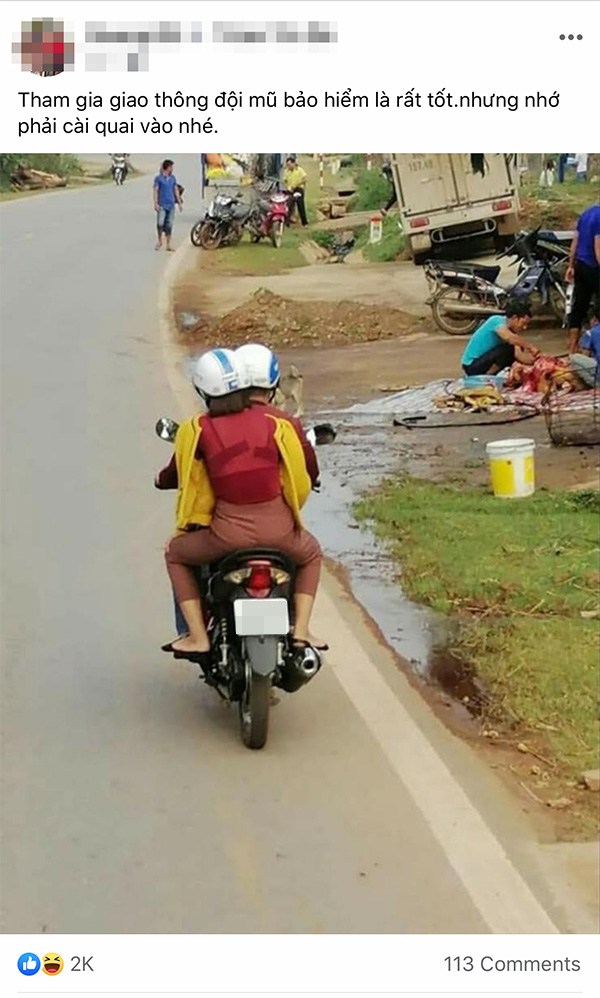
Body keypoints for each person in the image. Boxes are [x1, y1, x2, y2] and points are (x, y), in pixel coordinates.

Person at [156, 349, 324, 665]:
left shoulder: (197, 428)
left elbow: (178, 471)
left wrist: (160, 480)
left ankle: (197, 636)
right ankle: (302, 631)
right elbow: (301, 468)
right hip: (281, 533)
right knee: (312, 553)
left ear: (203, 390)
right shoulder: (280, 423)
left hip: (224, 536)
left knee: (175, 554)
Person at [235, 343, 320, 489]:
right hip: (276, 505)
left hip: (224, 508)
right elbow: (309, 469)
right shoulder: (288, 424)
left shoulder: (205, 424)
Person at [461, 301, 539, 376]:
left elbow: (519, 355)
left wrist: (538, 361)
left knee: (517, 347)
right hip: (471, 365)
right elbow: (509, 338)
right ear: (515, 318)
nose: (525, 327)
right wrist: (531, 347)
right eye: (523, 323)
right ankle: (489, 375)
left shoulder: (512, 332)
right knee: (509, 348)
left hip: (484, 361)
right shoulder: (496, 321)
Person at [566, 201, 600, 353]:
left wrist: (571, 265)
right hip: (594, 266)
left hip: (580, 264)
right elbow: (598, 247)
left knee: (579, 306)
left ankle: (573, 346)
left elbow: (575, 242)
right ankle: (594, 344)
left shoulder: (586, 214)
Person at [153, 159, 183, 251]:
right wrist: (155, 203)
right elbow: (155, 191)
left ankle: (168, 244)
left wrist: (179, 202)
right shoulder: (158, 179)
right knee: (160, 223)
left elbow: (176, 190)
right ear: (168, 167)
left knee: (169, 225)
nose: (172, 169)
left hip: (171, 205)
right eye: (171, 167)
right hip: (162, 204)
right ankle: (159, 240)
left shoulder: (173, 178)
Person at [569, 305, 600, 387]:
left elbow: (585, 353)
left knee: (573, 358)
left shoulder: (590, 332)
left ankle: (596, 385)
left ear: (594, 319)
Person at [283, 155, 308, 227]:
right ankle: (287, 222)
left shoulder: (299, 170)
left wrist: (296, 185)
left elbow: (304, 179)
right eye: (287, 165)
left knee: (300, 204)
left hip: (298, 188)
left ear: (294, 163)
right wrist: (288, 186)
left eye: (290, 164)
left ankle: (304, 222)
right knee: (288, 204)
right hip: (290, 189)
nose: (289, 166)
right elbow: (285, 180)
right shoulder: (286, 171)